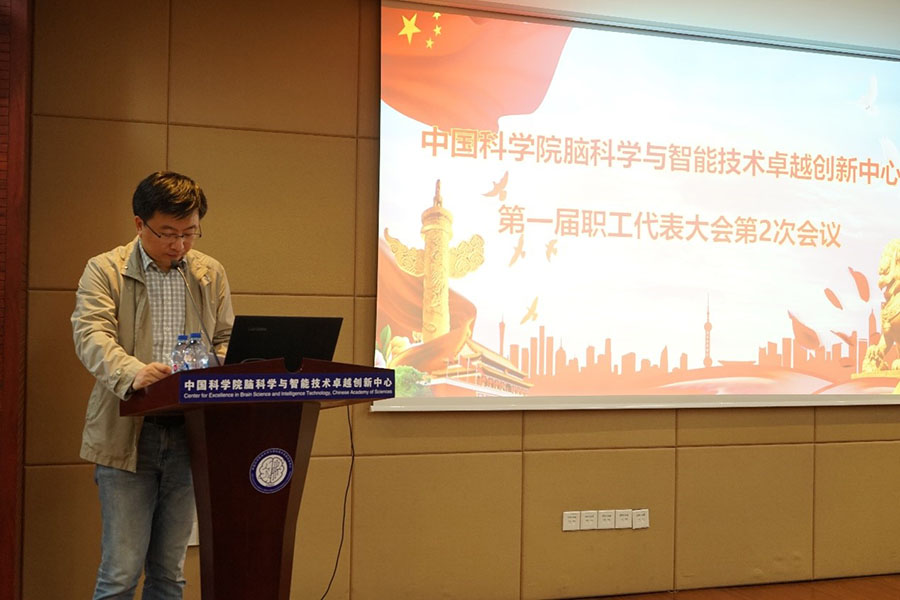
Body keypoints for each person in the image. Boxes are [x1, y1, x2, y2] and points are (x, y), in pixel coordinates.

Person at [71, 171, 234, 599]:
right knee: (121, 574)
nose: (179, 245)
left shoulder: (208, 273)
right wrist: (133, 372)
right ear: (139, 224)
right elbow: (91, 334)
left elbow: (224, 337)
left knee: (169, 572)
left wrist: (223, 362)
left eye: (189, 233)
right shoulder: (105, 269)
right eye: (168, 233)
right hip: (128, 433)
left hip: (189, 433)